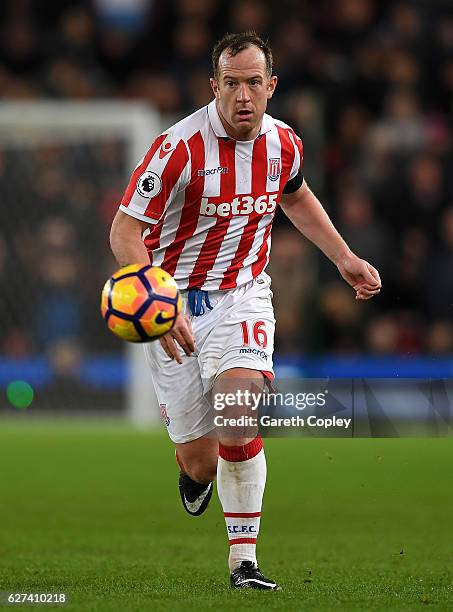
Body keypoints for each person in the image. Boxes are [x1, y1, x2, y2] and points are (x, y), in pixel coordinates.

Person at [110, 31, 381, 590]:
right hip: (175, 303)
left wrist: (344, 257)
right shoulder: (177, 147)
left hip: (243, 295)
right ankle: (195, 475)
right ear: (214, 87)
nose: (242, 95)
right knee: (201, 461)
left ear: (271, 86)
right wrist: (157, 301)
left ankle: (243, 564)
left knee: (239, 411)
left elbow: (296, 194)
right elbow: (125, 230)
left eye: (253, 83)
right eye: (230, 83)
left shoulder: (284, 144)